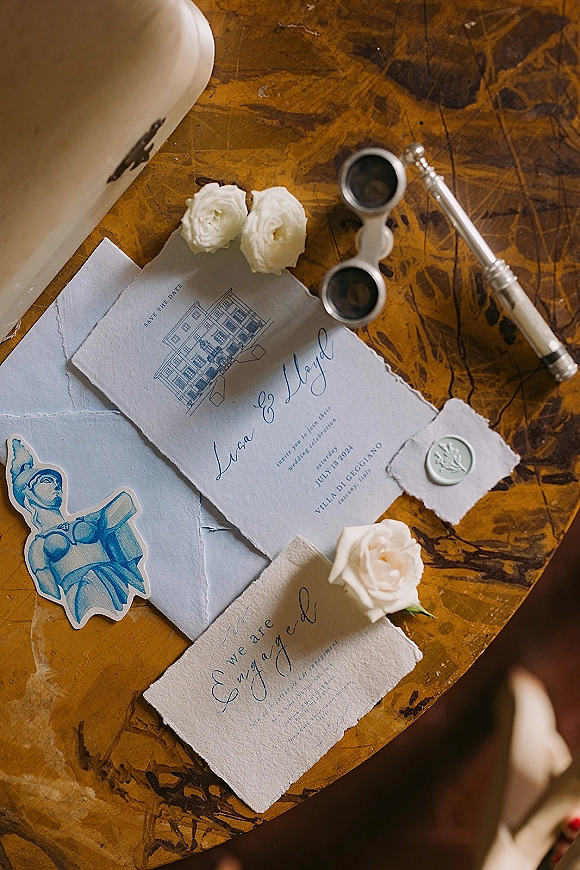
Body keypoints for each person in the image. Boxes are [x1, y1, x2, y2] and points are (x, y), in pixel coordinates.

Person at [7, 437, 148, 628]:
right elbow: (48, 588)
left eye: (57, 481)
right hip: (81, 593)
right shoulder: (38, 544)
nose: (57, 486)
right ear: (28, 493)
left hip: (115, 581)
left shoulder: (87, 520)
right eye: (47, 481)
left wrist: (105, 522)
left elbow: (125, 502)